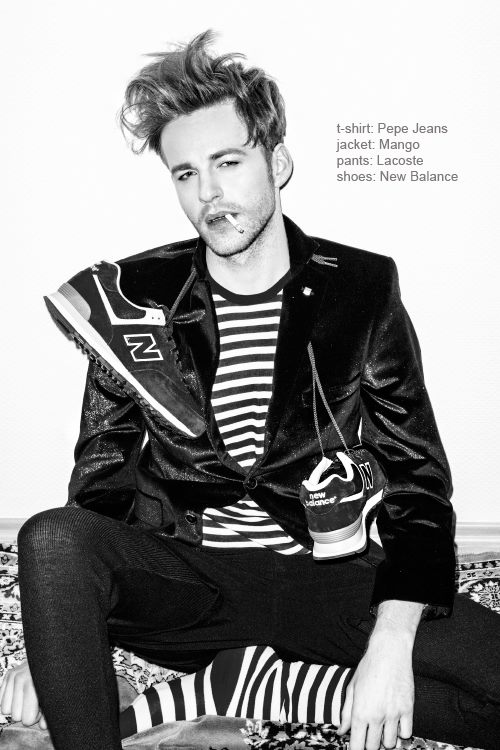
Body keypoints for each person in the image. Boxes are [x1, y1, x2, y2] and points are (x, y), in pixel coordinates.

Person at [1, 29, 499, 750]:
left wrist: (391, 644)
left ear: (278, 162)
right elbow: (102, 476)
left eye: (228, 162)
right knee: (50, 538)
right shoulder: (135, 297)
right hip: (190, 588)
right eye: (186, 173)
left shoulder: (359, 288)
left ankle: (249, 685)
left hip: (327, 580)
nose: (208, 193)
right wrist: (63, 630)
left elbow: (417, 479)